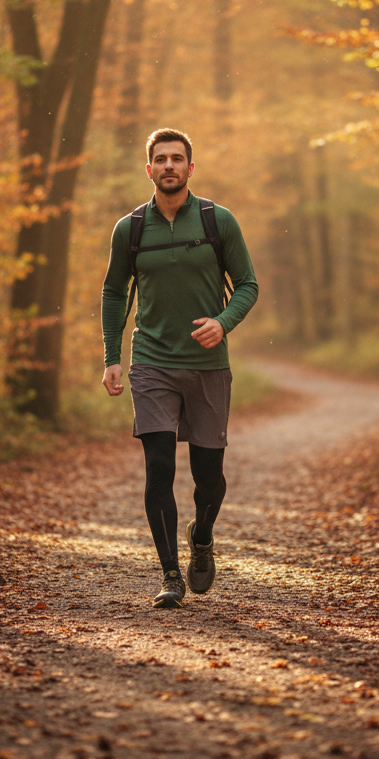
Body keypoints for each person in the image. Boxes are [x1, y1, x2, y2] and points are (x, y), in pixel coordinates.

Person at [101, 128, 258, 608]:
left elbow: (247, 284)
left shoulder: (217, 221)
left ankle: (202, 535)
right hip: (152, 362)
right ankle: (170, 573)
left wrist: (222, 323)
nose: (169, 165)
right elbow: (114, 292)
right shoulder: (130, 229)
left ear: (191, 167)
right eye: (161, 159)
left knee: (209, 477)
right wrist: (112, 357)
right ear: (148, 169)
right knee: (159, 468)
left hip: (208, 365)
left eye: (177, 158)